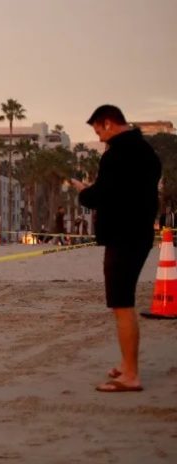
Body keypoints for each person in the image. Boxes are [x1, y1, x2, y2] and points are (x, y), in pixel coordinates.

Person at [71, 104, 161, 393]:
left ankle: (131, 375)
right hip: (139, 234)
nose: (99, 138)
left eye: (99, 131)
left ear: (108, 123)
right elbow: (128, 192)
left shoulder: (117, 154)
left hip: (124, 238)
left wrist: (83, 191)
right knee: (123, 303)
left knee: (122, 305)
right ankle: (126, 364)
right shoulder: (147, 152)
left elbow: (101, 196)